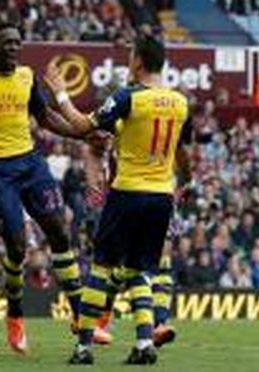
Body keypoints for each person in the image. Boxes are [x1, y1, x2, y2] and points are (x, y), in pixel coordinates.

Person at [43, 35, 192, 365]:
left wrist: (60, 93)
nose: (128, 62)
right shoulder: (180, 102)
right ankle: (143, 344)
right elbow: (183, 152)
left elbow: (82, 124)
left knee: (101, 269)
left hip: (127, 192)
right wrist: (189, 180)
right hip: (161, 198)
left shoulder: (130, 98)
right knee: (140, 270)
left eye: (130, 57)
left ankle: (84, 348)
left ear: (138, 62)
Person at [0, 23, 110, 354]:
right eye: (6, 42)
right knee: (18, 247)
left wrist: (82, 135)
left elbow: (46, 117)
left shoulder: (26, 77)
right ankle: (15, 314)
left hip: (31, 164)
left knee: (60, 234)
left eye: (17, 43)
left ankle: (80, 315)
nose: (12, 47)